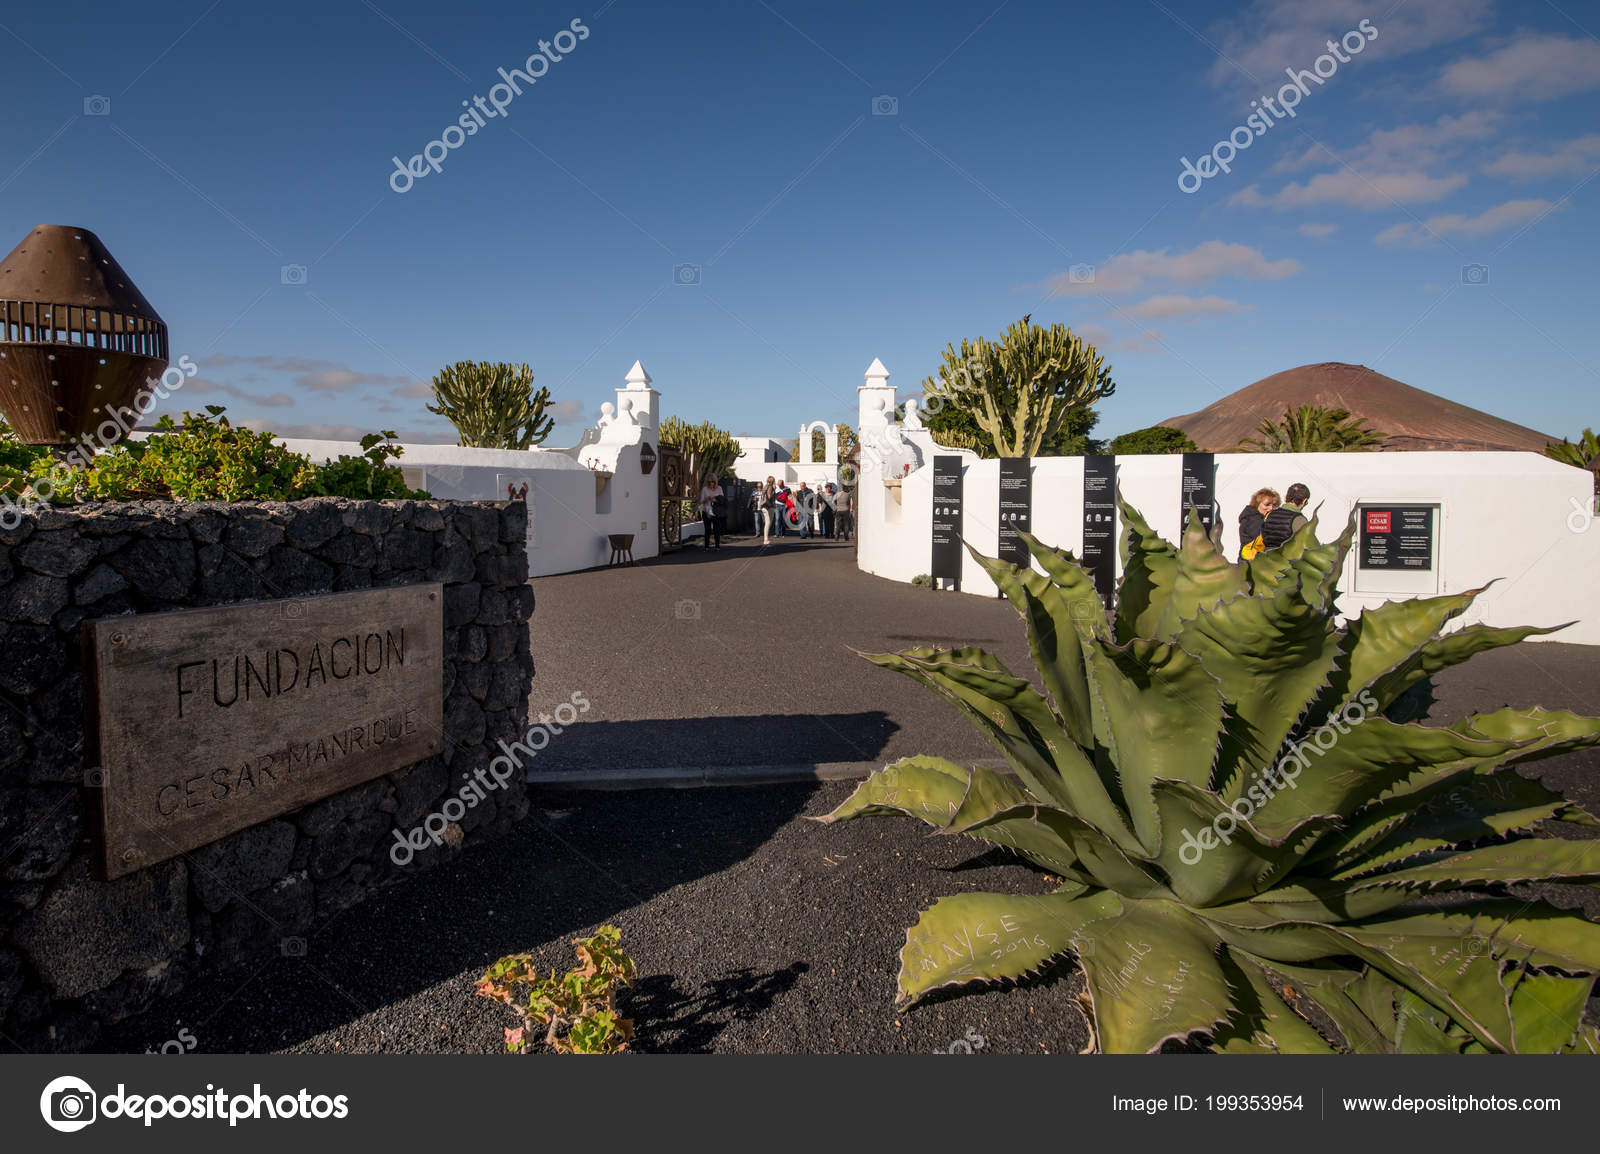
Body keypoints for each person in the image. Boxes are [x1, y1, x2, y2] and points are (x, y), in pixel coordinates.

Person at [1260, 482, 1310, 550]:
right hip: (1286, 559)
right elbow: (1306, 547)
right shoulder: (1299, 520)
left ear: (1285, 498)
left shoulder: (1269, 515)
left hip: (1265, 558)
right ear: (1304, 501)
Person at [1239, 488, 1278, 560]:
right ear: (1257, 504)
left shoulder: (1252, 517)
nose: (1271, 508)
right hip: (1252, 562)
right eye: (1267, 505)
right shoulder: (1253, 520)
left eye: (1274, 505)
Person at [698, 476, 723, 550]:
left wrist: (714, 500)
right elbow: (701, 501)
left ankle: (717, 546)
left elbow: (722, 499)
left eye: (712, 481)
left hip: (716, 512)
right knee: (707, 530)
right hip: (706, 511)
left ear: (715, 482)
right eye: (709, 482)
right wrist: (706, 499)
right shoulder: (705, 489)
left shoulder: (719, 488)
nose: (711, 483)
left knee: (717, 529)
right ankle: (706, 546)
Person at [759, 477, 776, 545]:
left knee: (768, 523)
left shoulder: (765, 486)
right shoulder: (770, 487)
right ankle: (765, 540)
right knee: (768, 523)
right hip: (768, 506)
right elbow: (769, 496)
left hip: (763, 506)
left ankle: (766, 538)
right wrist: (774, 490)